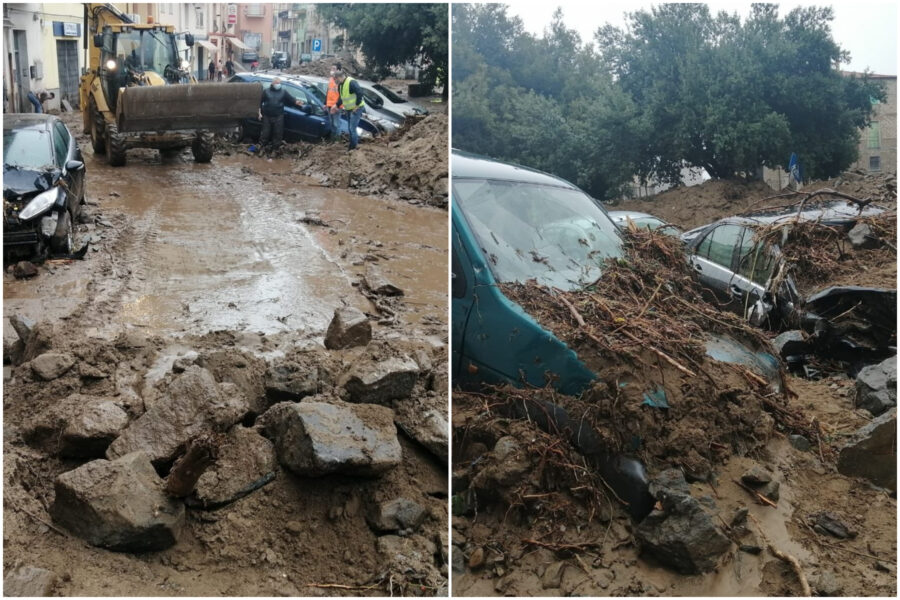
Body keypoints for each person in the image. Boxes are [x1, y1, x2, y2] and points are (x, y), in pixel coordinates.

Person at [257, 77, 304, 153]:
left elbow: (292, 100)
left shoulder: (283, 92)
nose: (278, 85)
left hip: (278, 116)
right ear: (273, 83)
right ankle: (261, 148)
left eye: (279, 83)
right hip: (267, 116)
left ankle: (275, 150)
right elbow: (259, 102)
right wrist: (259, 113)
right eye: (277, 83)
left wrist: (298, 102)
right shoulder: (266, 92)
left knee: (277, 134)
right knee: (265, 133)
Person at [333, 70, 366, 151]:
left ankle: (353, 147)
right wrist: (336, 105)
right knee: (350, 127)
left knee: (352, 128)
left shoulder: (351, 82)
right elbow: (342, 97)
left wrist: (356, 106)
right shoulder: (341, 84)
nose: (336, 81)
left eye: (336, 79)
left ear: (340, 77)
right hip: (348, 108)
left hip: (356, 108)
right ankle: (351, 145)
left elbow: (360, 93)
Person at [325, 66, 342, 141]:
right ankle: (332, 140)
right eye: (331, 69)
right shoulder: (330, 79)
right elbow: (328, 92)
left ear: (337, 71)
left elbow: (342, 96)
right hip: (329, 105)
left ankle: (337, 140)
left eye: (334, 69)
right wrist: (325, 103)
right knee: (331, 123)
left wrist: (336, 106)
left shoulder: (340, 82)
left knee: (336, 124)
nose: (332, 71)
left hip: (336, 106)